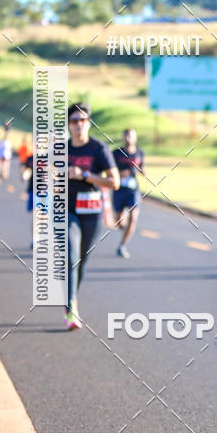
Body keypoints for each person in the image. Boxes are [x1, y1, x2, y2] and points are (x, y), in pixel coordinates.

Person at [66, 103, 119, 330]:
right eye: (74, 121)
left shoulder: (99, 149)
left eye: (83, 120)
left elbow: (114, 182)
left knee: (81, 260)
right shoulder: (61, 149)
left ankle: (71, 297)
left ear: (89, 123)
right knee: (70, 255)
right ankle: (71, 308)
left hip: (91, 210)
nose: (79, 124)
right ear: (69, 125)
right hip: (67, 209)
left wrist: (84, 175)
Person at [112, 128, 145, 259]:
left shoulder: (140, 153)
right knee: (119, 222)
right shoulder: (116, 153)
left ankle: (122, 245)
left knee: (133, 217)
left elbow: (142, 168)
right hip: (119, 189)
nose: (128, 138)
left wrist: (143, 171)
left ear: (135, 138)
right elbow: (109, 170)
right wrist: (120, 174)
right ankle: (124, 225)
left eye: (130, 136)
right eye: (126, 136)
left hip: (133, 190)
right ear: (123, 138)